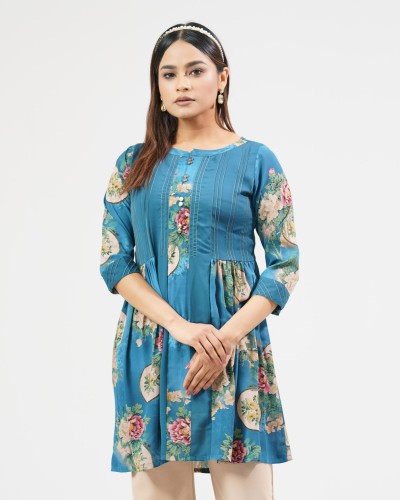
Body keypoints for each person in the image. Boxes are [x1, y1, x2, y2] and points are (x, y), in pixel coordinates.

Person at [99, 21, 300, 500]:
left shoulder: (256, 160)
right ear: (157, 87)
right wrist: (182, 328)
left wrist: (223, 340)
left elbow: (284, 265)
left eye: (195, 70)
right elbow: (114, 262)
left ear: (222, 78)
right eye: (168, 75)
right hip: (152, 347)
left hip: (234, 351)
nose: (182, 84)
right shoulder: (133, 164)